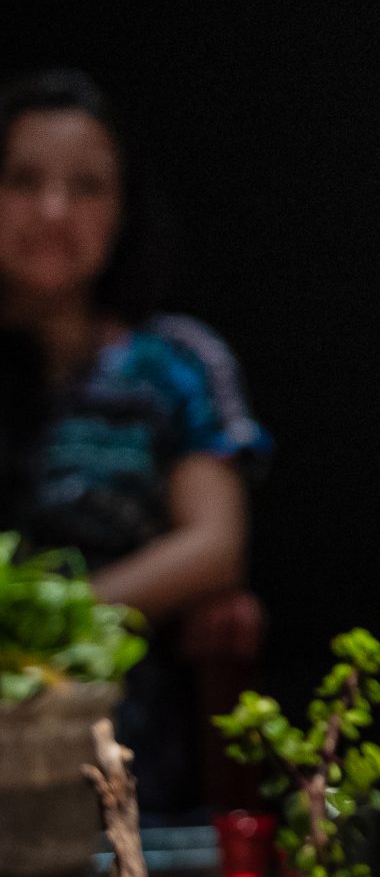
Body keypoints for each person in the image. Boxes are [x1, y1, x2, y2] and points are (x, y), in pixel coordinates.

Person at [0, 68, 271, 810]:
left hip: (115, 728)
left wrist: (41, 634)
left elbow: (214, 546)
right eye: (24, 181)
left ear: (123, 210)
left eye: (87, 187)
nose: (54, 210)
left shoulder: (174, 362)